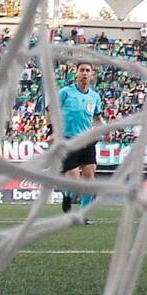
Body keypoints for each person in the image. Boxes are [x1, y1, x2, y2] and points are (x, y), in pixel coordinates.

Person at [49, 61, 103, 219]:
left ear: (92, 74)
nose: (85, 73)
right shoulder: (66, 92)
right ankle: (67, 195)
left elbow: (97, 117)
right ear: (76, 73)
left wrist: (105, 128)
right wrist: (51, 131)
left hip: (88, 141)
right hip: (69, 141)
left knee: (89, 177)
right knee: (73, 179)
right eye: (82, 70)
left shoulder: (95, 97)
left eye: (88, 70)